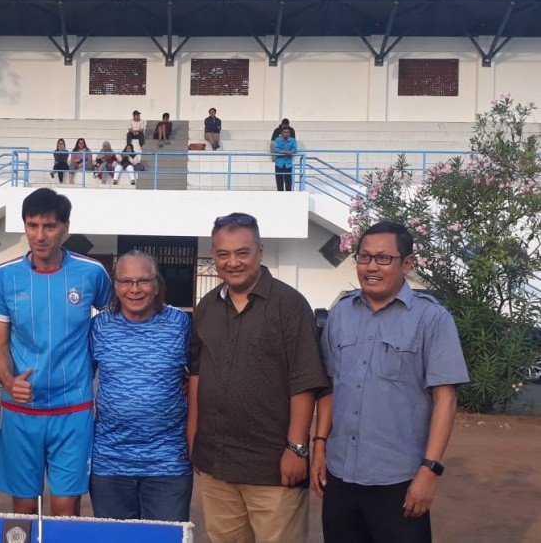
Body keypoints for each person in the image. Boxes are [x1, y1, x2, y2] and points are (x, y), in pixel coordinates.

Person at [311, 221, 469, 543]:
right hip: (341, 475)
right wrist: (320, 445)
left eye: (383, 259)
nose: (371, 267)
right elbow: (330, 386)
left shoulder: (432, 319)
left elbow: (445, 400)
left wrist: (429, 471)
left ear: (407, 264)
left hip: (398, 481)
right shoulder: (340, 314)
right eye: (364, 257)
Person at [188, 212, 329, 543]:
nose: (232, 262)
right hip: (217, 464)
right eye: (223, 254)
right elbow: (197, 372)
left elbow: (305, 380)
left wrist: (297, 448)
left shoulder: (289, 306)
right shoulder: (207, 307)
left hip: (273, 467)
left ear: (260, 251)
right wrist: (194, 435)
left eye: (242, 252)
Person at [0, 188, 112, 516]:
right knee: (25, 507)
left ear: (65, 228)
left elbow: (113, 326)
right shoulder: (3, 277)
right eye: (32, 226)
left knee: (66, 507)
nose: (40, 235)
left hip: (74, 409)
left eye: (49, 226)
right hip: (21, 411)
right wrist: (8, 380)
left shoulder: (92, 273)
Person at [89, 251, 192, 522]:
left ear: (157, 284)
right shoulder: (99, 327)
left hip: (168, 463)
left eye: (143, 281)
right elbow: (77, 379)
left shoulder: (180, 324)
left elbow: (202, 378)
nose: (134, 289)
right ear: (115, 285)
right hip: (110, 463)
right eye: (126, 281)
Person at [272, 125, 298, 191]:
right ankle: (280, 199)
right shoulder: (277, 139)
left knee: (288, 183)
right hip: (279, 164)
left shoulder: (293, 140)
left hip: (288, 164)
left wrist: (283, 152)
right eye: (284, 132)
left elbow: (294, 150)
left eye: (287, 132)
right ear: (281, 133)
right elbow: (276, 150)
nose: (286, 134)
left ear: (289, 133)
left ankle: (288, 199)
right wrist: (288, 152)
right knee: (279, 183)